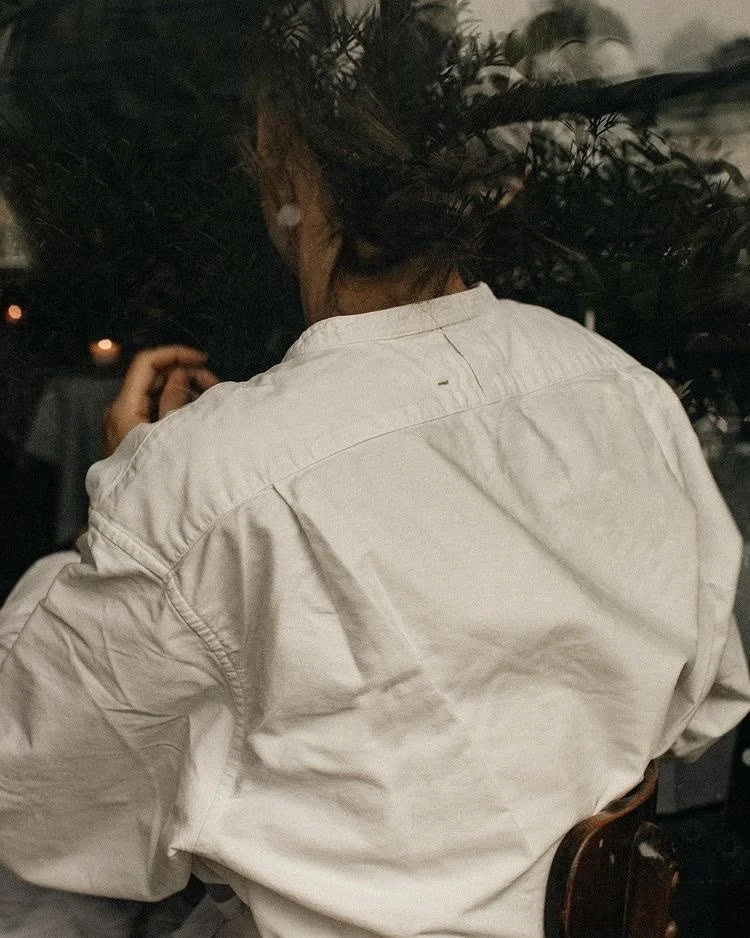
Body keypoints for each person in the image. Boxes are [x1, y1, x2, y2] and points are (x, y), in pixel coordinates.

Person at [1, 3, 749, 936]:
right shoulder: (620, 391)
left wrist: (129, 504)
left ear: (286, 165)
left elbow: (33, 785)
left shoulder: (213, 482)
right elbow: (708, 702)